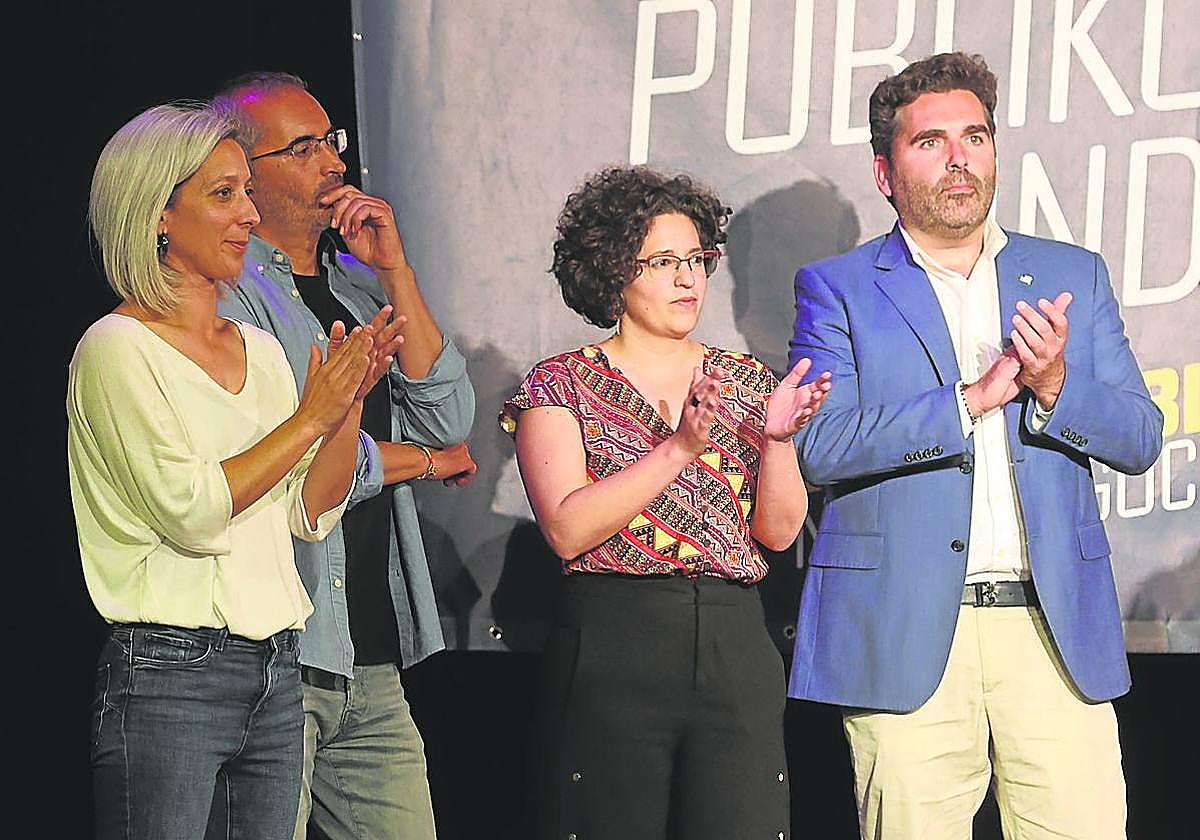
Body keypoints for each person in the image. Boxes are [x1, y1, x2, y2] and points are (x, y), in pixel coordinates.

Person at [787, 52, 1164, 839]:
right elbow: (818, 445)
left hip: (1053, 631)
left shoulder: (1071, 274)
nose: (960, 159)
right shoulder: (839, 287)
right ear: (886, 173)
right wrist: (967, 402)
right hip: (905, 634)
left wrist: (1057, 385)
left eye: (976, 137)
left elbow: (1138, 436)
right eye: (931, 142)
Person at [70, 102, 402, 839]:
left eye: (246, 191)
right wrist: (310, 417)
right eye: (223, 194)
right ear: (157, 213)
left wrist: (344, 406)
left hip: (276, 671)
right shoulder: (118, 349)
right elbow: (192, 512)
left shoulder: (257, 348)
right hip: (169, 675)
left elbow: (308, 512)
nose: (248, 213)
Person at [501, 165, 831, 840]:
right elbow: (567, 528)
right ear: (611, 271)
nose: (688, 279)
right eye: (663, 262)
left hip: (735, 643)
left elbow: (777, 532)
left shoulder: (742, 380)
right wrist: (678, 448)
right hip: (616, 643)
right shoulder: (561, 384)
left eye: (697, 259)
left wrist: (776, 442)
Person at [211, 73, 476, 840]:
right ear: (244, 171)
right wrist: (421, 464)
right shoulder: (229, 299)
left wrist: (395, 269)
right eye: (303, 147)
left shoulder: (359, 288)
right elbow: (292, 455)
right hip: (280, 654)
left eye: (332, 140)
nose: (331, 160)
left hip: (368, 653)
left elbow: (448, 415)